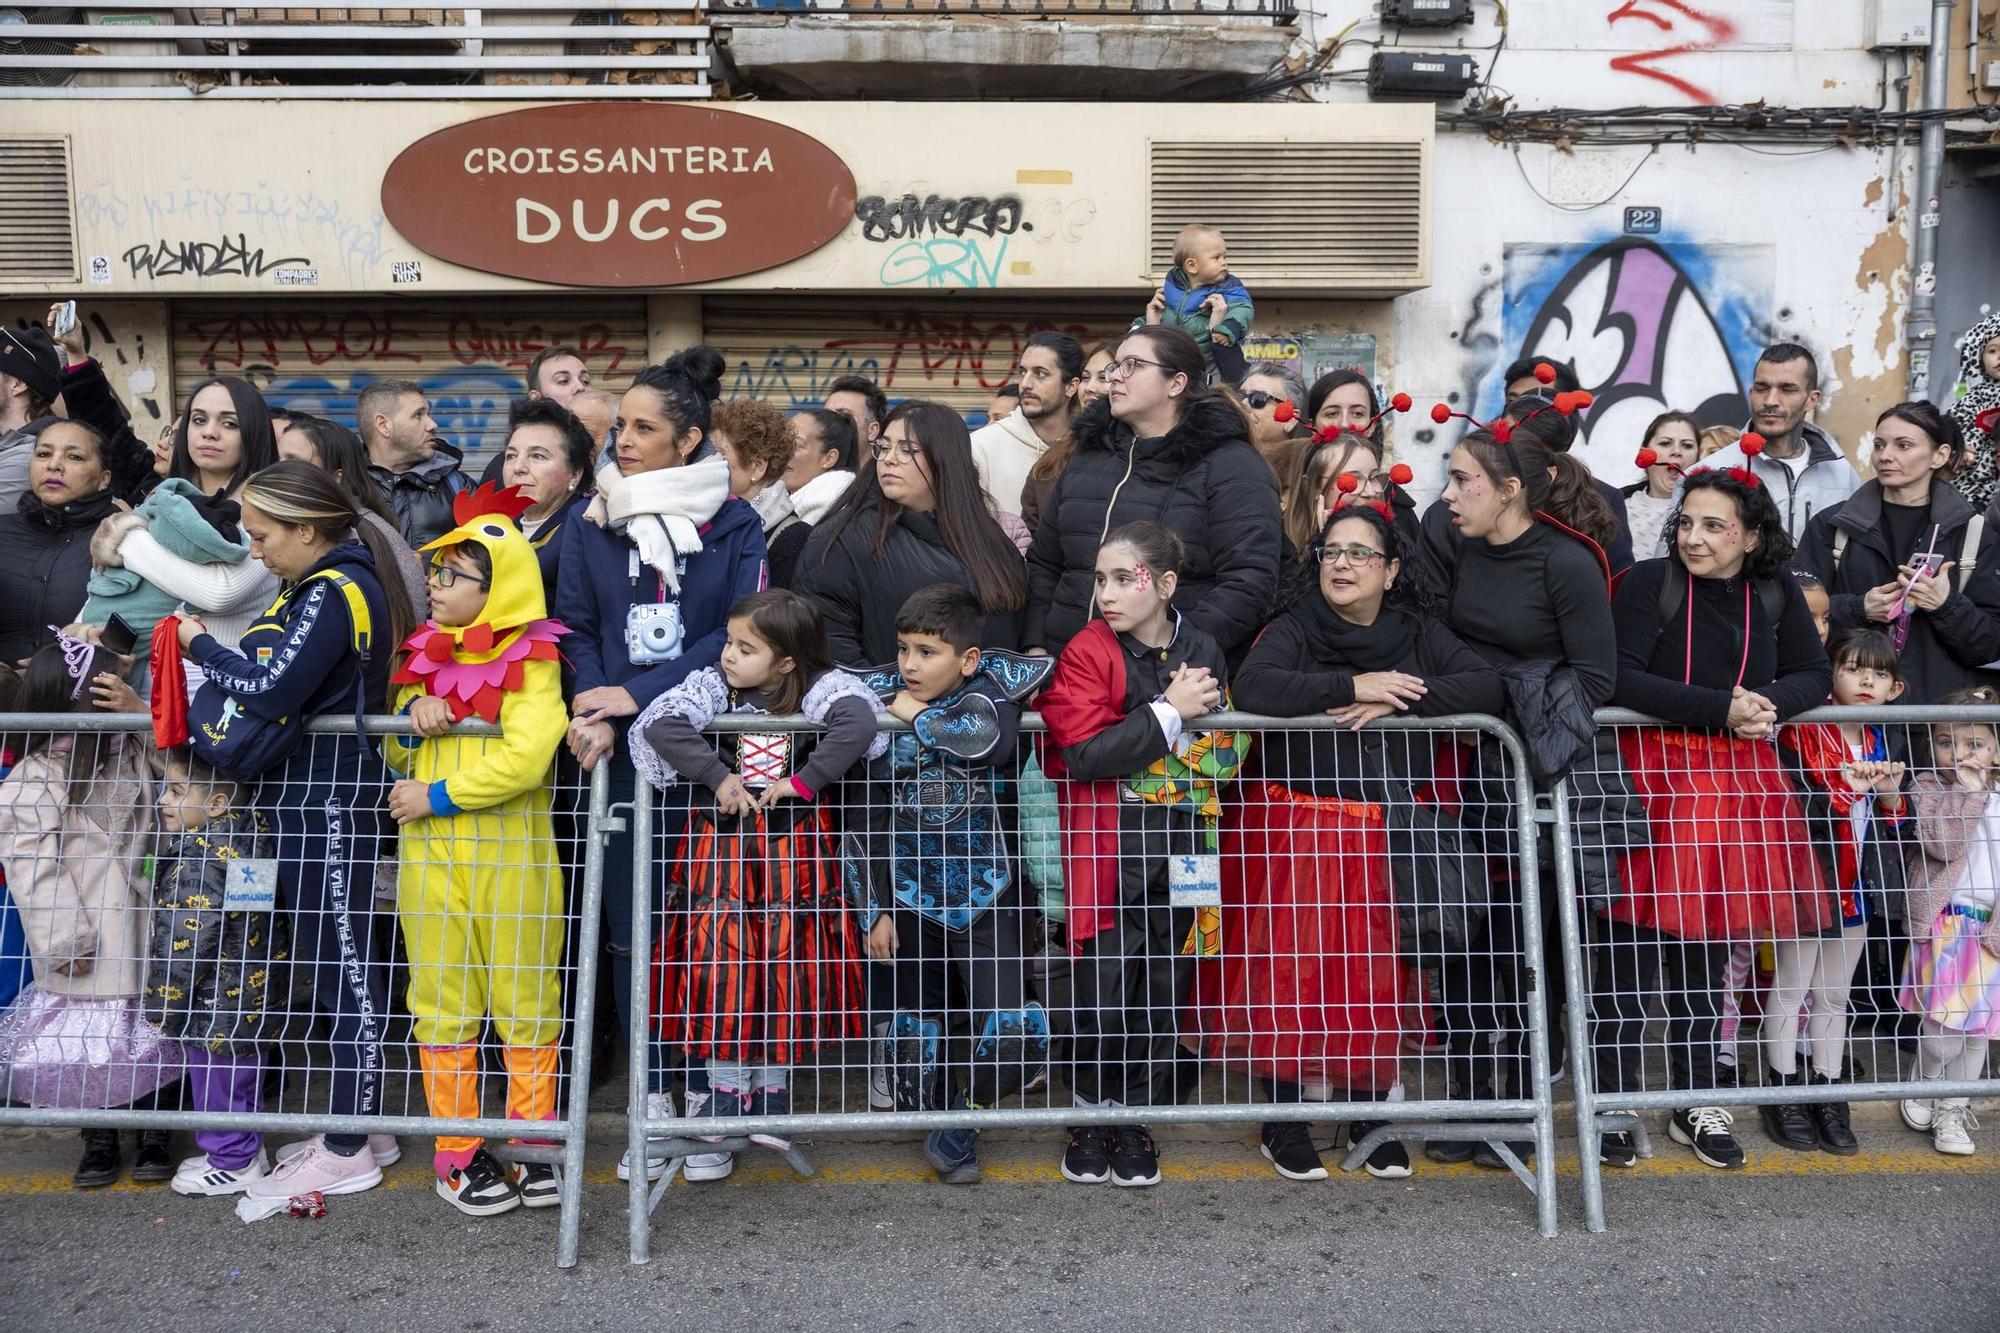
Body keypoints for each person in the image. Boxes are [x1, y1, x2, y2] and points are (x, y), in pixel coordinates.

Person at [1215, 504, 1502, 1182]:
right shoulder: (1293, 628)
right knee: (1290, 972)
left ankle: (1370, 1111)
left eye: (1359, 553)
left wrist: (1401, 696)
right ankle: (1283, 1118)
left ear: (1392, 568)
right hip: (1299, 831)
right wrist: (1349, 685)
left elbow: (1486, 684)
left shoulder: (1419, 633)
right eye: (1331, 551)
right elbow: (1255, 685)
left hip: (1385, 834)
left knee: (1377, 973)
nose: (1341, 564)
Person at [553, 347, 767, 1182]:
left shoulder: (735, 521)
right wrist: (596, 702)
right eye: (621, 426)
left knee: (709, 929)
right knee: (626, 934)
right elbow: (571, 624)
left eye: (645, 429)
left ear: (688, 441)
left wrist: (636, 696)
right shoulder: (590, 518)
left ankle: (713, 1104)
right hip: (614, 757)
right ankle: (655, 1096)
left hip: (705, 754)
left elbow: (734, 634)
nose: (625, 441)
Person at [175, 460, 416, 1202]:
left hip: (332, 800)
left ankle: (351, 1144)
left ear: (307, 529)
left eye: (263, 534)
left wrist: (200, 649)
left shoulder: (334, 590)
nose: (254, 550)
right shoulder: (319, 587)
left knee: (346, 971)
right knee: (334, 962)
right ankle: (362, 1124)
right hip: (311, 797)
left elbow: (271, 686)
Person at [1597, 467, 1831, 1172]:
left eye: (1713, 525)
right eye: (1686, 523)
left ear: (1751, 535)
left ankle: (1697, 1098)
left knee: (1708, 960)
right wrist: (1718, 708)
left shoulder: (1776, 588)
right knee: (1626, 960)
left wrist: (1767, 703)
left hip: (1736, 786)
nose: (1693, 538)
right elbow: (1617, 675)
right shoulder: (1646, 584)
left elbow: (1813, 671)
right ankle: (1611, 1103)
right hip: (1656, 781)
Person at [631, 589, 882, 1182]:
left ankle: (771, 1100)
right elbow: (664, 725)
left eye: (747, 648)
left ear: (789, 661)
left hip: (796, 863)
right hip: (722, 863)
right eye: (729, 642)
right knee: (721, 969)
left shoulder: (823, 689)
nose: (729, 656)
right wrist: (718, 777)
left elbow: (858, 723)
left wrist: (804, 782)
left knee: (786, 968)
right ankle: (723, 1102)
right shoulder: (714, 688)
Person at [1427, 412, 1624, 1170]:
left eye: (1462, 481)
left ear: (1509, 490)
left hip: (1537, 777)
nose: (1447, 495)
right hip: (1464, 773)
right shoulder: (1452, 543)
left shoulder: (1568, 563)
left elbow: (1597, 677)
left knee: (1528, 946)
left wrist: (1489, 698)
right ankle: (1470, 1104)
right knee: (1467, 942)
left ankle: (1524, 1104)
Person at [383, 485, 571, 1217]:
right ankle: (457, 1153)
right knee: (442, 1007)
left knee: (528, 1005)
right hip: (430, 866)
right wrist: (412, 716)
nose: (433, 583)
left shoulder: (536, 659)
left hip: (513, 861)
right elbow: (398, 747)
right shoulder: (422, 654)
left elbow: (526, 757)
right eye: (436, 571)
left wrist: (436, 796)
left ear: (500, 586)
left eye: (451, 574)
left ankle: (534, 1146)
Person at [1040, 523, 1243, 1188]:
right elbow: (1086, 754)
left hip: (1188, 836)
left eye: (1122, 577)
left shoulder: (1202, 644)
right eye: (1100, 579)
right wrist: (1168, 713)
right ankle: (1091, 1115)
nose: (1107, 592)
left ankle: (1136, 1118)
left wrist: (1157, 735)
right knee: (1104, 980)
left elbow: (1226, 745)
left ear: (1164, 583)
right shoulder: (1086, 650)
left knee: (1166, 978)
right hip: (1112, 839)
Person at [856, 585, 1052, 1185]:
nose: (910, 665)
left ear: (967, 660)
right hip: (910, 895)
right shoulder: (878, 708)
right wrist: (875, 909)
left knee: (1010, 1027)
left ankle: (967, 1117)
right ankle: (940, 1122)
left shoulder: (992, 692)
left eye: (927, 652)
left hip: (989, 892)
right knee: (919, 1024)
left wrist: (917, 715)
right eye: (903, 650)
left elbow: (987, 741)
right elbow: (864, 817)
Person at [0, 635, 178, 1188]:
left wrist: (145, 718)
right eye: (112, 682)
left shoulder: (132, 750)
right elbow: (31, 866)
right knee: (89, 1044)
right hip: (89, 937)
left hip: (146, 925)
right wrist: (65, 940)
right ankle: (98, 1135)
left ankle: (157, 1130)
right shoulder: (33, 776)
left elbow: (180, 765)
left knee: (153, 1031)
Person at [1025, 326, 1280, 663]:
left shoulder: (1232, 465)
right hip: (1069, 674)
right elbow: (1045, 563)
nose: (1115, 377)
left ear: (1176, 383)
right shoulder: (1086, 457)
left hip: (1168, 681)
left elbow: (1249, 582)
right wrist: (1036, 647)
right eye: (1116, 366)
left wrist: (1170, 653)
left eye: (1133, 365)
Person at [1762, 628, 1910, 1155]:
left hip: (1858, 885)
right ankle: (1782, 1089)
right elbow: (1797, 807)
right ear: (1831, 673)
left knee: (1834, 994)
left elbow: (1895, 826)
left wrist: (1890, 793)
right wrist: (1851, 788)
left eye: (1879, 673)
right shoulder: (1804, 730)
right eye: (1853, 668)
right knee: (1792, 987)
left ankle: (1828, 1091)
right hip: (1808, 881)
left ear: (1895, 687)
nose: (1865, 680)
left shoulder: (1882, 736)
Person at [142, 752, 291, 1197]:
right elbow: (252, 921)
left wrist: (164, 1002)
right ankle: (243, 1148)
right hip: (246, 992)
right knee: (239, 1076)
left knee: (216, 1079)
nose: (163, 800)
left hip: (211, 1000)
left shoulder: (198, 857)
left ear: (217, 804)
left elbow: (186, 942)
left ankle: (232, 1160)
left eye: (175, 791)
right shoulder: (250, 840)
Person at [795, 400, 1025, 667]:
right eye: (884, 447)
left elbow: (1009, 642)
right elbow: (828, 646)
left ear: (944, 460)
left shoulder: (991, 543)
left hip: (980, 705)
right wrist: (891, 701)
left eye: (907, 449)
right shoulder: (841, 538)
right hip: (885, 706)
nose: (889, 459)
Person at [1798, 401, 2000, 704]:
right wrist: (1859, 609)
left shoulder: (1973, 532)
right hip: (1845, 719)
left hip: (1938, 720)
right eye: (1879, 445)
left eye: (1903, 445)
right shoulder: (1833, 526)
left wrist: (1945, 605)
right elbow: (1794, 618)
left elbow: (1991, 644)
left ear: (1939, 455)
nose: (1885, 456)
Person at [1900, 689, 2000, 1157]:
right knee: (1942, 1035)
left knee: (1979, 1032)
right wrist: (1969, 792)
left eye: (1976, 743)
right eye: (1946, 742)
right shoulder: (1930, 789)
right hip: (1946, 923)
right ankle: (1927, 1073)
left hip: (1991, 929)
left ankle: (1954, 1108)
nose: (1960, 754)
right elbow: (1944, 845)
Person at [80, 477, 256, 680]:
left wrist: (127, 536)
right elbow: (96, 596)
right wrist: (83, 634)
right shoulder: (162, 500)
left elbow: (217, 593)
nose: (207, 442)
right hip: (130, 668)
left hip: (207, 678)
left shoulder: (261, 515)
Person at [277, 413, 428, 623]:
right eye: (277, 460)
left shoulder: (355, 535)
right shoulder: (333, 526)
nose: (276, 471)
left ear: (336, 477)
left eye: (293, 462)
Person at [1700, 343, 1860, 539]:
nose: (1770, 400)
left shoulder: (1843, 477)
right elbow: (1673, 563)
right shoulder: (1710, 472)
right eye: (1762, 388)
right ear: (1751, 394)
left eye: (1787, 389)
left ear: (1812, 399)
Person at [0, 421, 127, 663]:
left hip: (81, 695)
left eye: (75, 457)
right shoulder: (3, 531)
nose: (54, 465)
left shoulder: (121, 541)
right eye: (44, 454)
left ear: (104, 478)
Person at [970, 333, 1084, 520]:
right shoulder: (981, 447)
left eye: (1040, 374)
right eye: (1023, 372)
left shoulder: (1087, 448)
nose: (1025, 384)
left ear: (1071, 387)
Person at [1280, 421, 1421, 565]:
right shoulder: (1281, 547)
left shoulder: (1401, 537)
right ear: (1314, 486)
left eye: (1373, 478)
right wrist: (1325, 545)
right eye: (1353, 479)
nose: (1371, 492)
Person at [1020, 340, 1118, 537]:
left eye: (1104, 377)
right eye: (1085, 377)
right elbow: (1033, 546)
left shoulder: (1147, 454)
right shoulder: (1049, 464)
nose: (1090, 387)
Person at [500, 398, 594, 597]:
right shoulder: (502, 528)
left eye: (538, 456)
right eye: (511, 456)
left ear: (575, 474)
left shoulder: (586, 529)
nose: (518, 467)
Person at [358, 379, 468, 547]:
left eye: (428, 415)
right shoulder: (344, 486)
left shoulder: (456, 485)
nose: (432, 425)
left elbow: (485, 556)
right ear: (383, 425)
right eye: (418, 415)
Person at [1138, 224, 1252, 382]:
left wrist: (1226, 330)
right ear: (1192, 266)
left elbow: (1243, 309)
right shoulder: (1172, 285)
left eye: (1224, 257)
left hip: (1208, 360)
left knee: (1215, 386)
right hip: (1173, 360)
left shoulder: (1228, 286)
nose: (1224, 263)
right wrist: (1141, 327)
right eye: (1216, 258)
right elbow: (1163, 311)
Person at [770, 408, 857, 590]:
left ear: (829, 458)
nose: (782, 451)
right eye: (783, 440)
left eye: (797, 444)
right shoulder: (778, 502)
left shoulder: (829, 514)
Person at [711, 398, 799, 546]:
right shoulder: (705, 519)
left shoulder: (795, 538)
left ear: (757, 466)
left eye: (719, 453)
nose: (708, 462)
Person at [1623, 411, 1701, 561]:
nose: (1677, 451)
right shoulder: (1614, 505)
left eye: (1687, 445)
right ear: (1644, 454)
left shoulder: (1708, 510)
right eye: (1665, 443)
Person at [1945, 314, 2000, 511]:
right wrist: (1960, 449)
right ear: (1979, 357)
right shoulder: (1971, 400)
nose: (1999, 357)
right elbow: (1949, 430)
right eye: (1992, 351)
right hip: (1970, 490)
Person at [1239, 361, 1309, 476]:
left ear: (1291, 419)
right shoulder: (1218, 461)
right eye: (1240, 396)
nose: (1243, 403)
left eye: (1258, 398)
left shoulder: (1306, 475)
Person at [825, 375, 888, 453]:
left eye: (843, 416)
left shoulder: (887, 464)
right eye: (826, 415)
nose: (829, 424)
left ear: (872, 431)